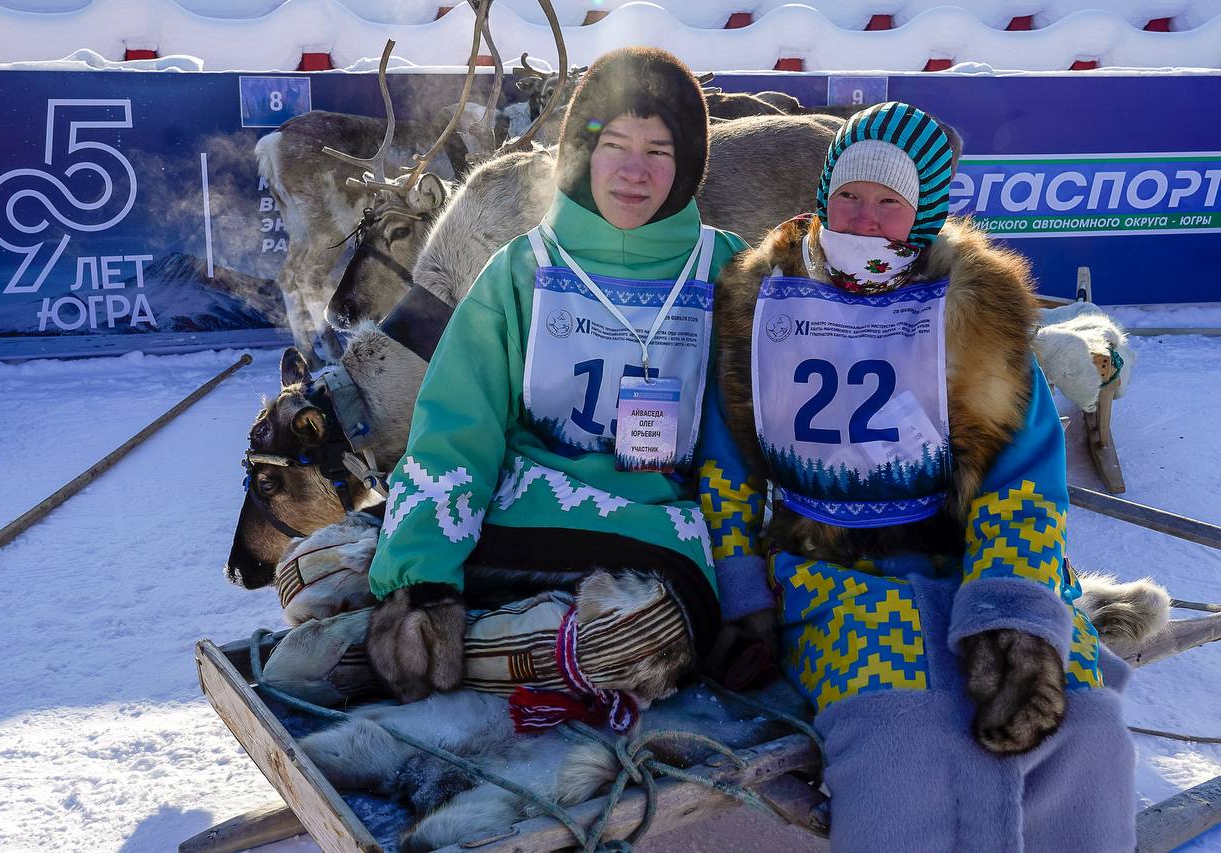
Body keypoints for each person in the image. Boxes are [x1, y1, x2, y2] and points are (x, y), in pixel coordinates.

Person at [699, 101, 1136, 851]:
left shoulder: (975, 316)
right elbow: (727, 467)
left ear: (924, 215)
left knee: (1086, 729)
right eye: (849, 196)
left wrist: (1014, 616)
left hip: (973, 561)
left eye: (889, 203)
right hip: (830, 574)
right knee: (901, 735)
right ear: (823, 193)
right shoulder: (763, 303)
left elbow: (1021, 483)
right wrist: (742, 598)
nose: (864, 219)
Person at [361, 47, 749, 710]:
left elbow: (742, 441)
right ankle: (502, 641)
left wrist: (746, 589)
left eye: (658, 150)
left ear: (688, 163)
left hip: (657, 535)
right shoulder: (524, 269)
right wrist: (421, 579)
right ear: (579, 151)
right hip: (518, 512)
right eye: (615, 144)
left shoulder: (725, 269)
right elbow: (458, 425)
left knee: (645, 636)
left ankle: (496, 653)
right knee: (323, 566)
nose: (634, 171)